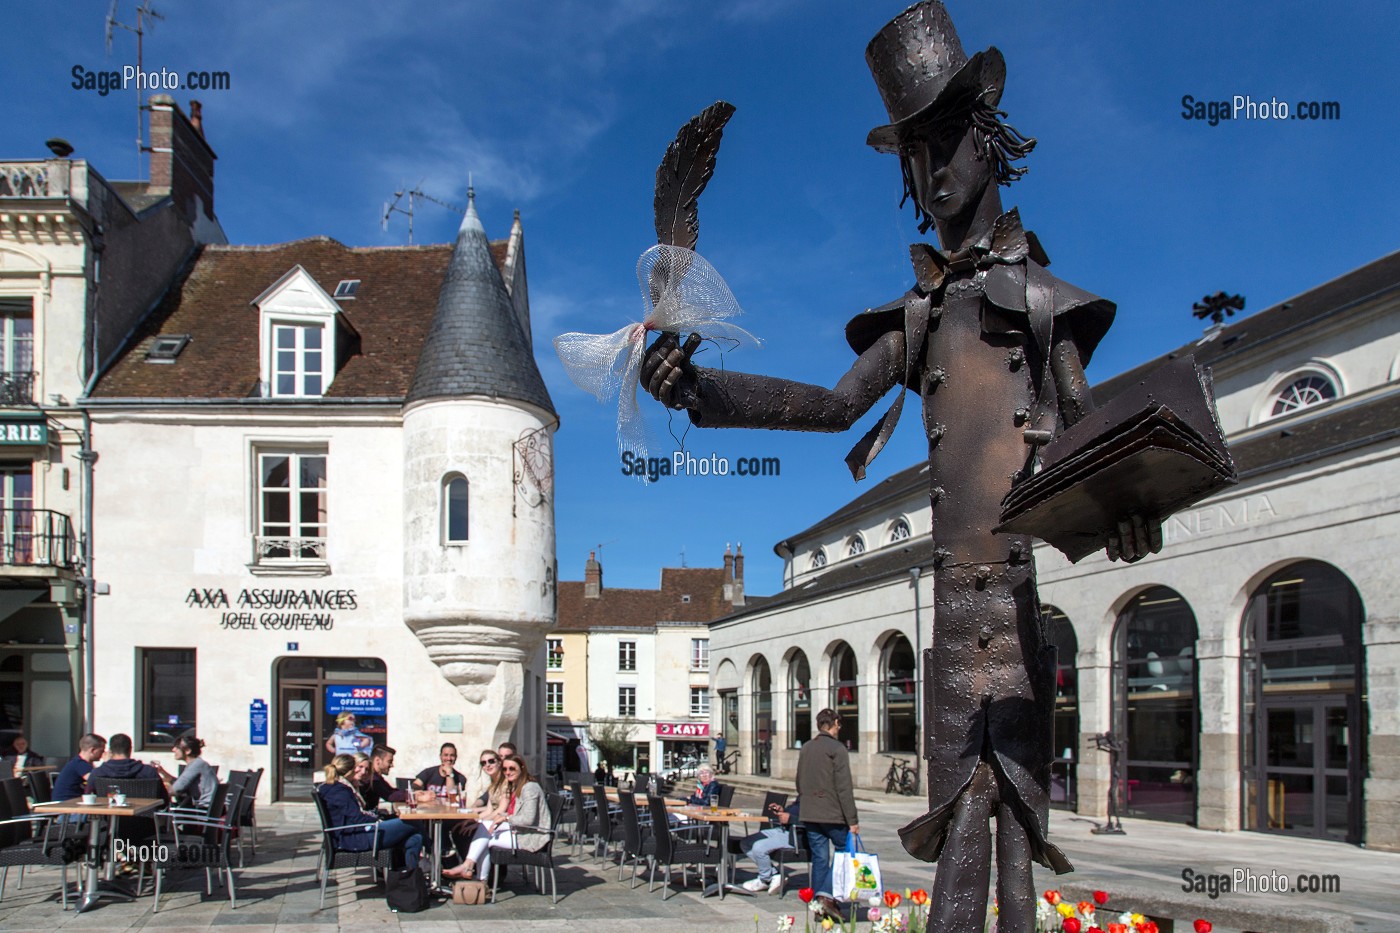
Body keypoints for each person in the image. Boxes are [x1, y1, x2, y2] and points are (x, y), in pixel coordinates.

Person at [443, 754, 551, 882]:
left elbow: (528, 819)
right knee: (485, 829)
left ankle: (476, 874)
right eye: (505, 769)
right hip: (520, 831)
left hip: (532, 836)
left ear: (522, 768)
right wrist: (500, 818)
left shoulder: (530, 788)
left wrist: (505, 818)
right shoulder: (517, 785)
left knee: (484, 837)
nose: (508, 772)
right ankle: (476, 874)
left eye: (512, 769)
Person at [796, 710, 858, 912]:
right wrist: (852, 819)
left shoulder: (806, 747)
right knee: (844, 852)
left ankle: (817, 902)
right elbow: (844, 787)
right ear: (835, 723)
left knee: (819, 857)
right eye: (839, 725)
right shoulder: (837, 749)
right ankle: (825, 894)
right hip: (832, 813)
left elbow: (799, 782)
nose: (839, 728)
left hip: (809, 812)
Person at [318, 754, 424, 870]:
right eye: (356, 768)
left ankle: (410, 879)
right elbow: (357, 818)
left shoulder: (333, 787)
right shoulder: (340, 791)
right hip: (355, 839)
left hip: (354, 834)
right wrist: (378, 820)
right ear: (350, 771)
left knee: (415, 838)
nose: (359, 771)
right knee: (412, 821)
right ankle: (435, 855)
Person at [740, 796, 800, 895]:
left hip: (795, 836)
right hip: (783, 830)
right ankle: (774, 875)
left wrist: (791, 819)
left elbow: (813, 821)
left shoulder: (815, 798)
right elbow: (795, 809)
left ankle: (765, 879)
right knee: (747, 842)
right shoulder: (803, 794)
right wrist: (782, 810)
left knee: (759, 847)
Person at [89, 733, 169, 802]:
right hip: (144, 818)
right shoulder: (148, 772)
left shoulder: (97, 773)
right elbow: (164, 800)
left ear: (110, 751)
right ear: (130, 750)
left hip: (108, 817)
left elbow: (88, 797)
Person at [154, 734, 217, 811]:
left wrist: (154, 792)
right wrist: (163, 772)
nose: (173, 749)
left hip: (203, 810)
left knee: (159, 811)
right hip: (208, 808)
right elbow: (180, 784)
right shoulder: (198, 763)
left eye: (177, 747)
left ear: (187, 751)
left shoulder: (196, 765)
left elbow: (175, 790)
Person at [53, 733, 106, 801]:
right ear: (92, 750)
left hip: (70, 801)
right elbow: (97, 781)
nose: (103, 754)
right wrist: (107, 763)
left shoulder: (78, 762)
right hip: (66, 803)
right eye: (101, 751)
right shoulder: (80, 764)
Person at [361, 744, 411, 811]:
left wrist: (413, 793)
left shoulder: (377, 777)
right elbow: (390, 796)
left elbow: (391, 791)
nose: (392, 765)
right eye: (389, 761)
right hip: (370, 819)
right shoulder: (372, 779)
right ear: (378, 761)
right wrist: (414, 796)